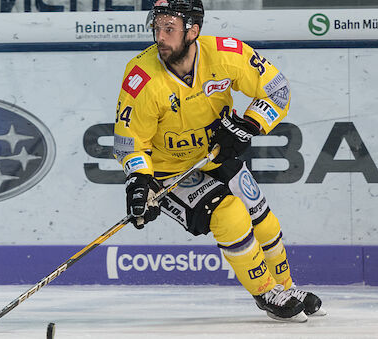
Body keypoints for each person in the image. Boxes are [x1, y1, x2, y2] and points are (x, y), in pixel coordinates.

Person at [113, 0, 326, 322]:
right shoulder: (142, 77)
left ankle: (285, 287)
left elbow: (277, 89)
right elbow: (129, 142)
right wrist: (139, 182)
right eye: (157, 27)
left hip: (216, 155)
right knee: (230, 214)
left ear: (193, 31)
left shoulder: (228, 55)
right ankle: (267, 292)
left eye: (169, 28)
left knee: (264, 222)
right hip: (169, 172)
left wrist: (250, 125)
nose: (160, 36)